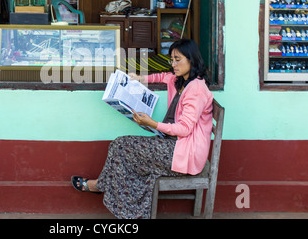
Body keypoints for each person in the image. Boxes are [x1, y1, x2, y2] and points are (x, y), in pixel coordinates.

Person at [71, 39, 214, 219]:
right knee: (118, 145)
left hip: (185, 154)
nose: (173, 64)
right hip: (174, 145)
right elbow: (163, 76)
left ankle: (100, 187)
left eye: (178, 59)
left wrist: (152, 123)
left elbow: (185, 129)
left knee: (121, 146)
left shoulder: (196, 89)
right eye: (171, 59)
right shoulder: (182, 79)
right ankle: (104, 190)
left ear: (191, 60)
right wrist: (141, 78)